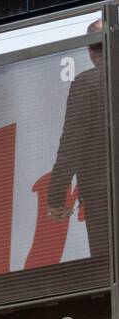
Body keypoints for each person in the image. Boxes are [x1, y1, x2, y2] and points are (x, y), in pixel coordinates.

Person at [47, 18, 109, 261]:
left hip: (103, 195)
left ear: (90, 50)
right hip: (102, 191)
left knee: (107, 265)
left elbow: (72, 142)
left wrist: (55, 195)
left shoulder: (87, 83)